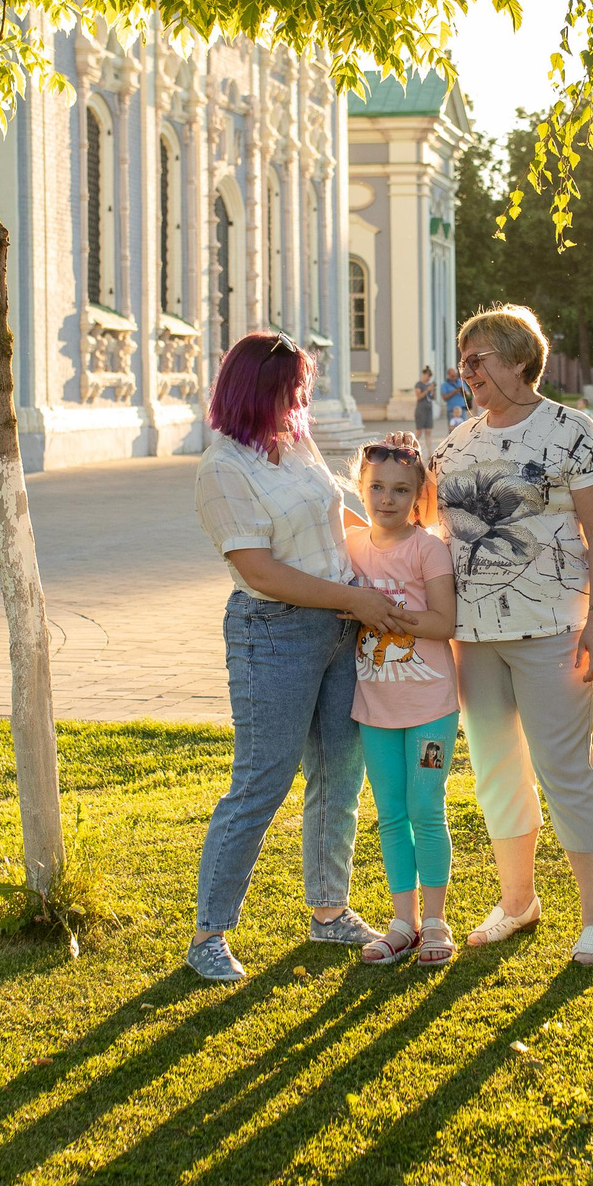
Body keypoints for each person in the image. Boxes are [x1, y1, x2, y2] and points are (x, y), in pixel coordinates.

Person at [187, 332, 406, 983]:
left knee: (341, 773)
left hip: (341, 629)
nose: (300, 400)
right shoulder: (222, 468)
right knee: (262, 781)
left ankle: (329, 910)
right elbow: (261, 571)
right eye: (291, 390)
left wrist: (404, 548)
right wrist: (352, 598)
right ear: (257, 391)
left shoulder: (294, 441)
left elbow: (336, 512)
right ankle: (208, 933)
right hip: (273, 634)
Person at [432, 304, 593, 966]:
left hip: (552, 631)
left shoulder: (574, 432)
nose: (467, 372)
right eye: (463, 362)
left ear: (520, 359)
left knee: (565, 767)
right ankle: (518, 901)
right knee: (495, 770)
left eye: (478, 359)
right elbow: (442, 538)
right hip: (473, 638)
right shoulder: (453, 444)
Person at [342, 433, 462, 965]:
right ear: (361, 489)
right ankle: (402, 922)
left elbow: (443, 622)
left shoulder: (428, 548)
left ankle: (436, 923)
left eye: (399, 490)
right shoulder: (352, 545)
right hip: (375, 711)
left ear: (418, 497)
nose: (385, 499)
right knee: (390, 813)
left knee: (425, 808)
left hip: (431, 708)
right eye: (376, 487)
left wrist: (382, 614)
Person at [413, 364, 438, 435]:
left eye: (430, 377)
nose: (428, 378)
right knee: (419, 431)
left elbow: (433, 398)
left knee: (428, 431)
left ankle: (429, 446)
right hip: (421, 410)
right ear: (423, 375)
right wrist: (427, 390)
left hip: (429, 410)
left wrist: (434, 390)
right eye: (427, 376)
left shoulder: (429, 384)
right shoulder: (419, 384)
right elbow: (419, 397)